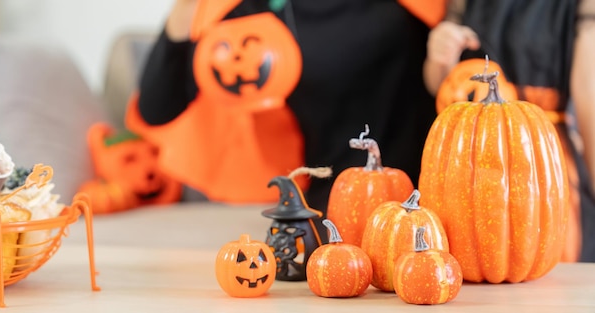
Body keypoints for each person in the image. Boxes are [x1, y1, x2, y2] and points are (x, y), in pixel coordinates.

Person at [126, 0, 442, 215]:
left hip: (434, 192)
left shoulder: (414, 10)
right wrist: (188, 8)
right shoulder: (255, 11)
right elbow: (159, 108)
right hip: (331, 202)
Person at [423, 0, 595, 262]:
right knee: (469, 259)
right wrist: (440, 58)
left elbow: (588, 94)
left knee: (537, 267)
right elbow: (440, 84)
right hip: (470, 156)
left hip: (538, 156)